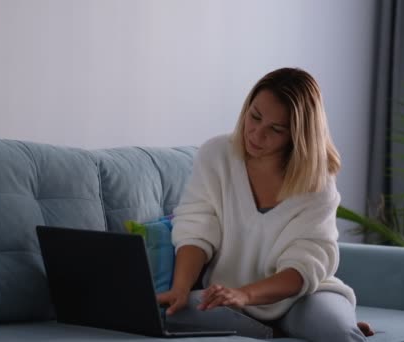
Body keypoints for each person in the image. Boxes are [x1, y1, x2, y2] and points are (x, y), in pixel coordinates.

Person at [157, 67, 373, 341]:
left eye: (276, 129)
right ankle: (282, 331)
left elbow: (305, 265)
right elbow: (196, 228)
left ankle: (327, 324)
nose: (257, 135)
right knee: (171, 315)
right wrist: (180, 288)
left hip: (303, 296)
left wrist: (246, 294)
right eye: (255, 117)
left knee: (339, 334)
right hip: (230, 299)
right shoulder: (216, 154)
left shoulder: (317, 182)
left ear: (297, 135)